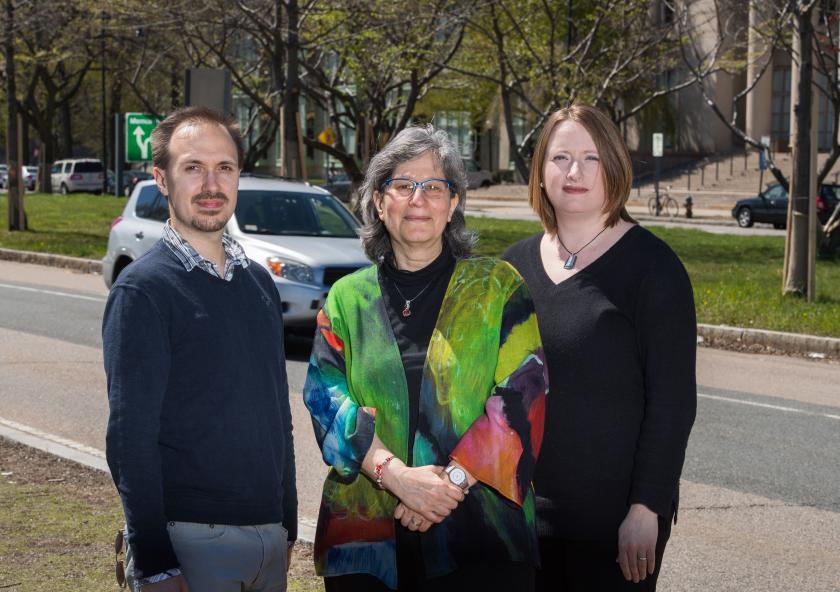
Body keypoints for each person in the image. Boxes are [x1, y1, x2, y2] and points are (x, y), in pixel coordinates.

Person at [303, 125, 548, 591]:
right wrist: (396, 477)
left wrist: (444, 485)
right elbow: (325, 398)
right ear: (378, 202)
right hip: (368, 543)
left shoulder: (498, 287)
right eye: (402, 185)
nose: (419, 199)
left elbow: (523, 395)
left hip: (481, 541)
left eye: (434, 186)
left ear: (453, 203)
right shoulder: (345, 301)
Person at [502, 104, 697, 591]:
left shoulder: (654, 269)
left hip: (613, 528)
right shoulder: (511, 269)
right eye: (561, 157)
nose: (574, 171)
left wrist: (646, 508)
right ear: (541, 170)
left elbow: (672, 404)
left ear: (614, 165)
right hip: (518, 520)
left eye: (591, 157)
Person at [103, 106, 297, 592]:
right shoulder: (143, 291)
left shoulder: (259, 285)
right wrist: (153, 561)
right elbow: (129, 440)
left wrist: (288, 524)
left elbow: (278, 415)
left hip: (268, 539)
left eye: (224, 168)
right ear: (162, 180)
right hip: (188, 541)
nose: (211, 184)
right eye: (193, 168)